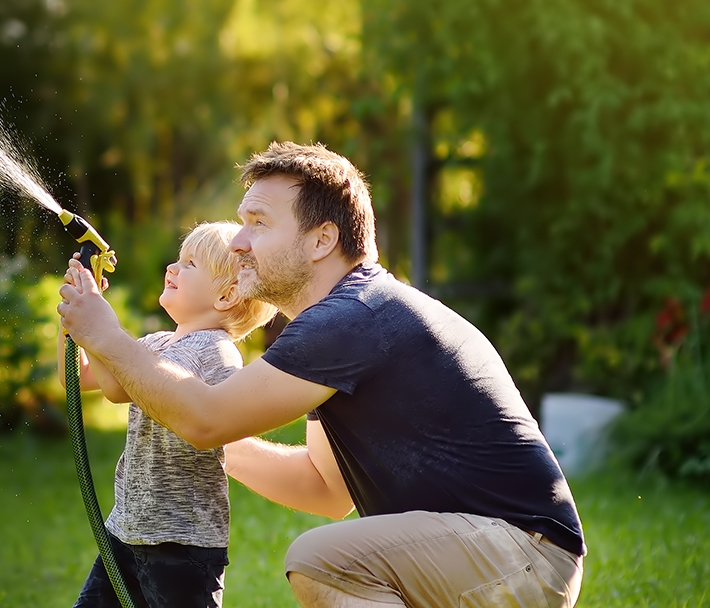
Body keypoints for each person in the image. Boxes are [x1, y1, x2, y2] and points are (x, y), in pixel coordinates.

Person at [56, 142, 585, 608]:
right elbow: (325, 490)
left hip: (520, 553)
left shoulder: (350, 317)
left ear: (321, 239)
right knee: (329, 551)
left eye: (259, 223)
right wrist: (207, 441)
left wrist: (107, 338)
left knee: (320, 559)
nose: (238, 241)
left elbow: (206, 419)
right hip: (504, 553)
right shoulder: (345, 318)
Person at [62, 221, 279, 608]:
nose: (172, 269)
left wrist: (99, 328)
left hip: (182, 544)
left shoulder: (217, 352)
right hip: (127, 529)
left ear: (227, 295)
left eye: (190, 264)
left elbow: (118, 391)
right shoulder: (154, 343)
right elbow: (78, 378)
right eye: (178, 259)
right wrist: (76, 320)